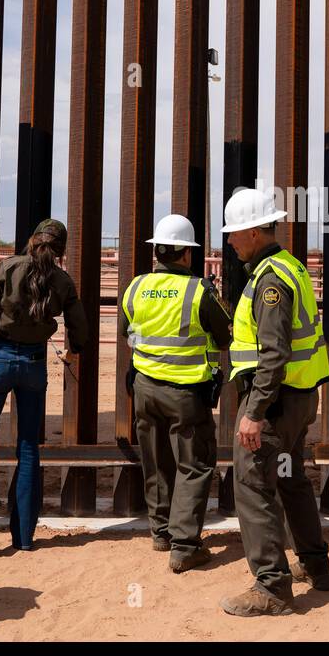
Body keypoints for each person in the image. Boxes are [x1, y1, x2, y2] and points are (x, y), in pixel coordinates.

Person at [219, 187, 329, 616]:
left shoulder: (270, 281)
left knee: (252, 485)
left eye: (233, 234)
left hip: (274, 402)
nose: (229, 242)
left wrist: (253, 412)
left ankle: (271, 587)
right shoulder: (289, 267)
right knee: (291, 478)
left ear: (252, 231)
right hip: (298, 398)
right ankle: (315, 566)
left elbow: (274, 353)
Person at [0, 219, 89, 559]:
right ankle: (24, 538)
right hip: (33, 364)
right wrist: (73, 349)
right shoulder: (62, 281)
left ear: (33, 241)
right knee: (28, 448)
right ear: (61, 250)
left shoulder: (10, 267)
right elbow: (80, 327)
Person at [120, 214, 232, 572]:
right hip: (185, 393)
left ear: (158, 251)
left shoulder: (136, 287)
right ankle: (184, 545)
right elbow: (224, 335)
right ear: (186, 253)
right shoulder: (199, 290)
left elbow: (128, 330)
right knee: (194, 465)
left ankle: (161, 531)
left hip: (144, 388)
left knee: (156, 460)